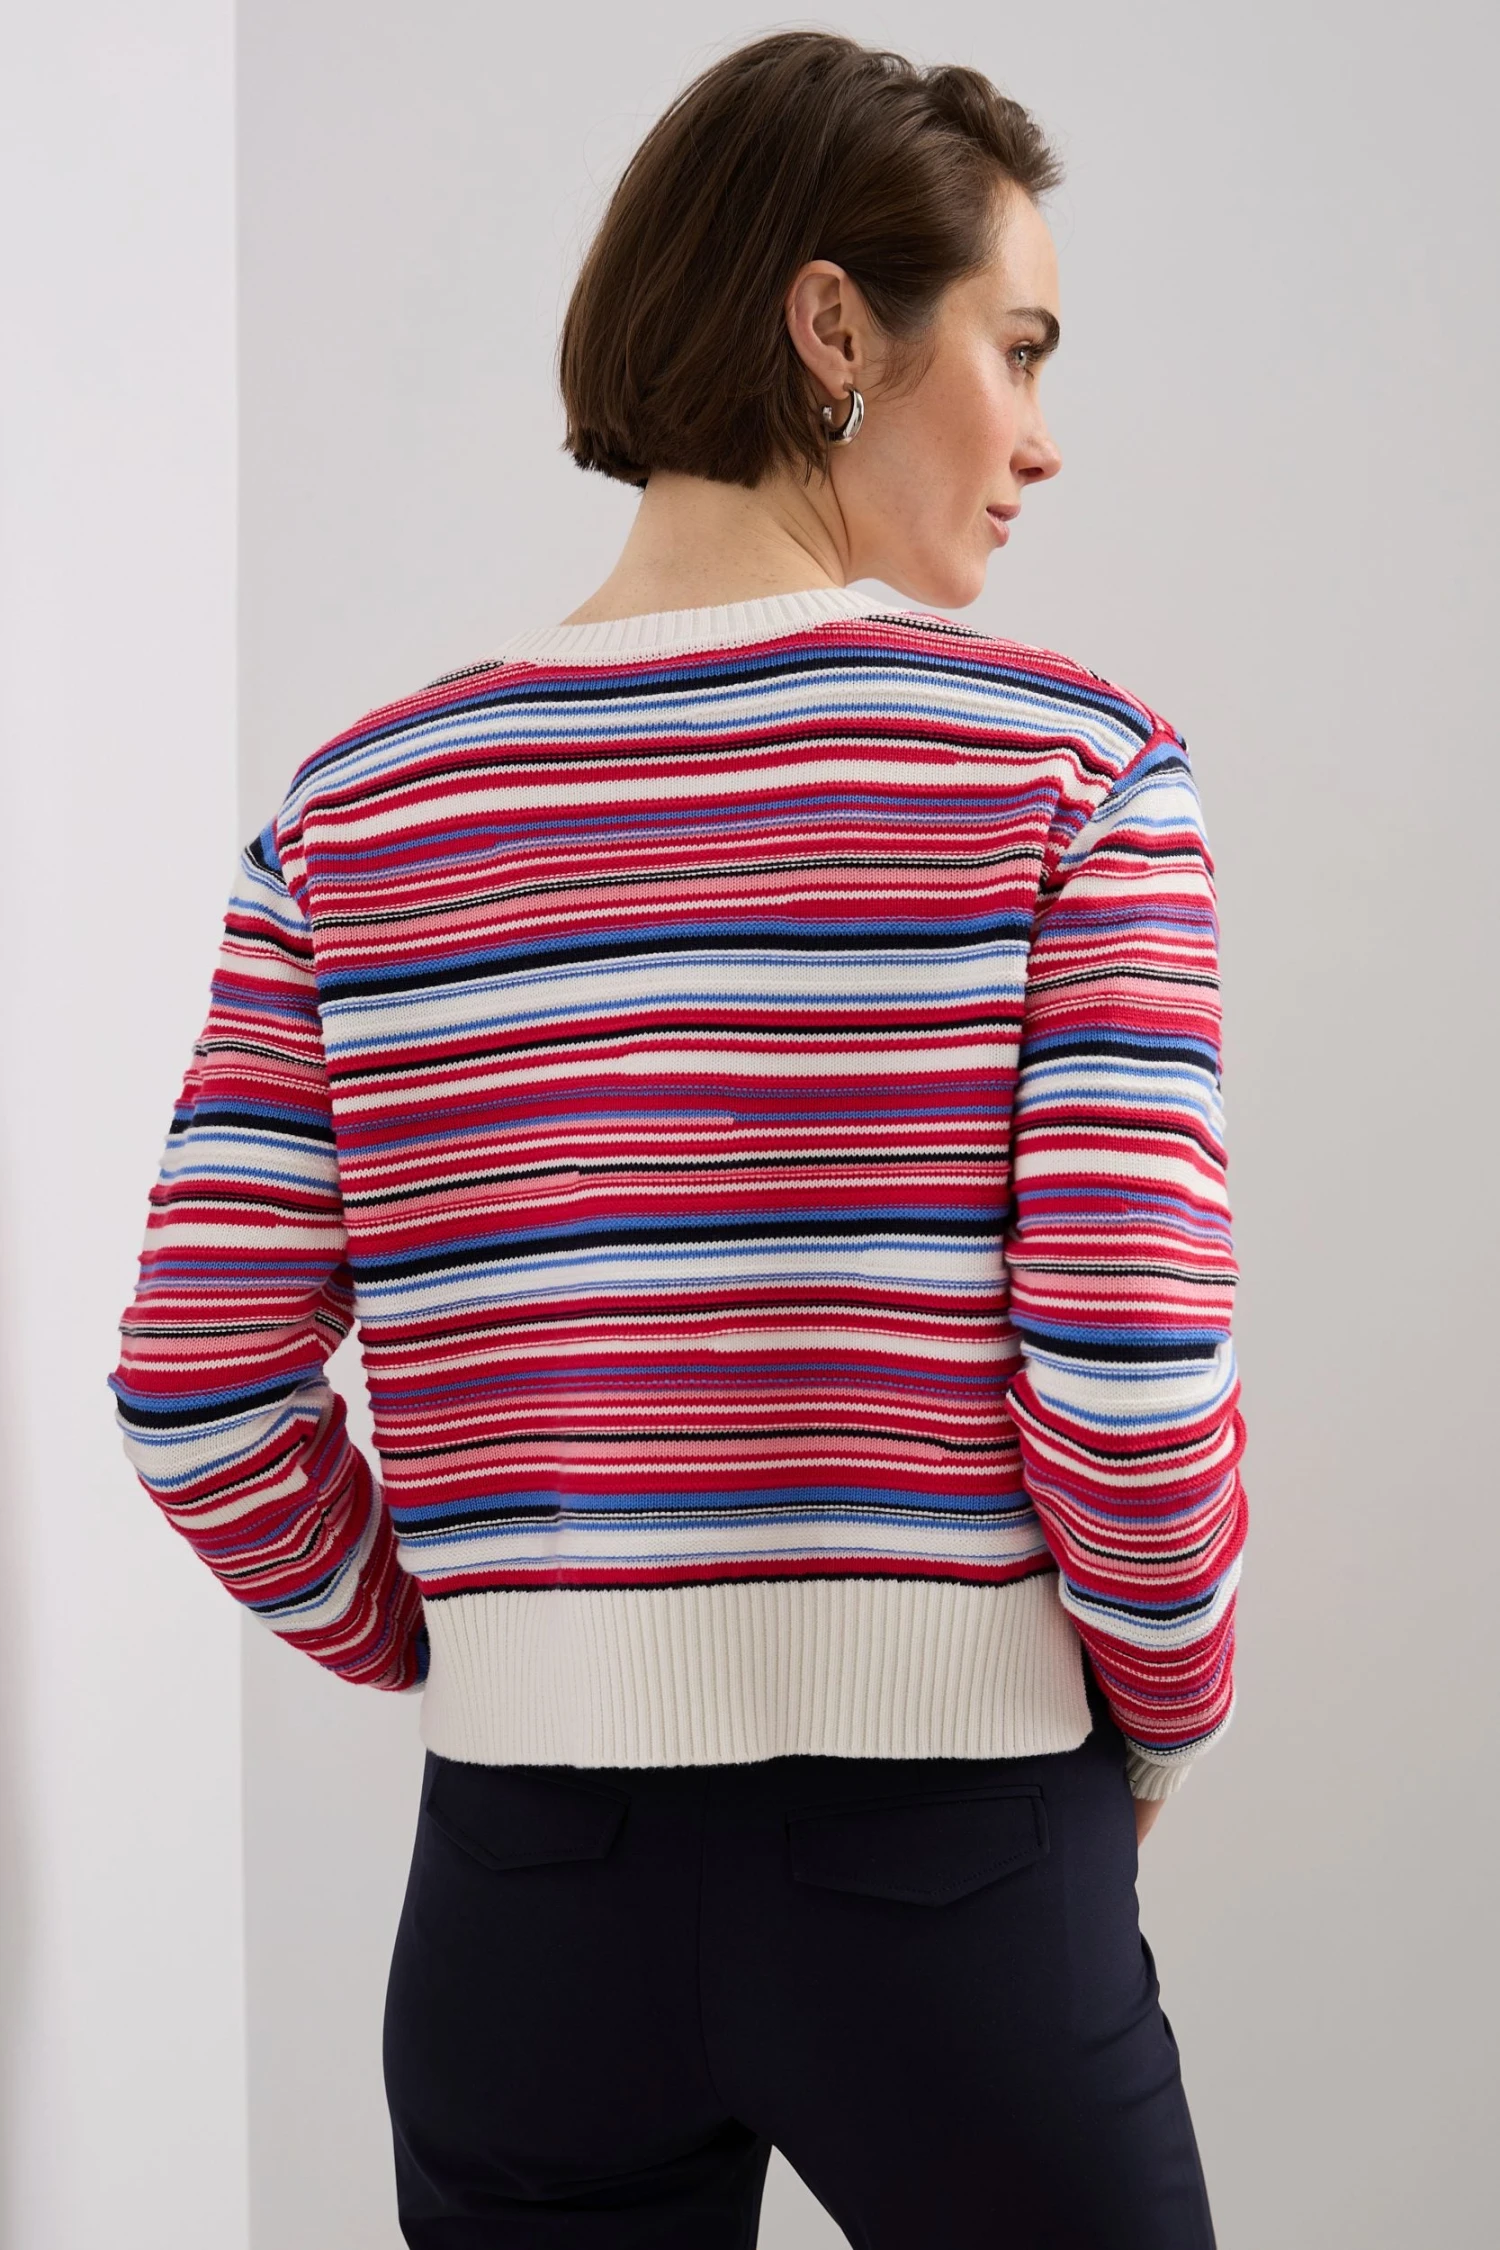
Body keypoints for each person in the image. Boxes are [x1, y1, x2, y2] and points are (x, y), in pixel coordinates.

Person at [110, 29, 1247, 2248]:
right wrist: (1165, 1713)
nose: (1040, 436)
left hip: (527, 1899)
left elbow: (197, 1392)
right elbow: (1126, 1373)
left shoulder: (354, 815)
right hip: (957, 1871)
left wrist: (479, 1648)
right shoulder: (1075, 774)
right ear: (836, 328)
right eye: (1015, 348)